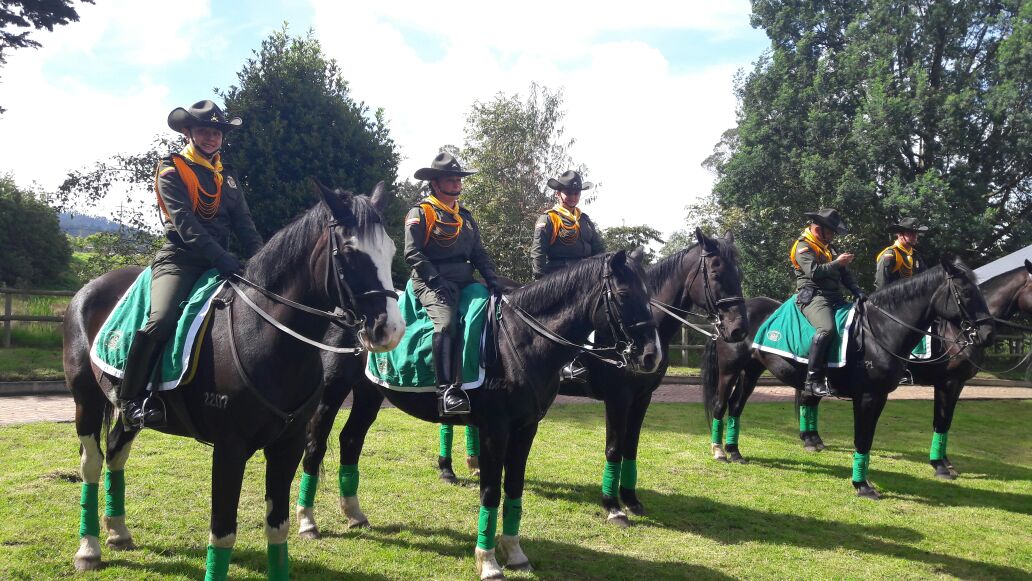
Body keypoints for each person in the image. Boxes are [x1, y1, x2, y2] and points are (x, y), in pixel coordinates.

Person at [117, 100, 264, 429]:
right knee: (163, 318)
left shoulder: (228, 177)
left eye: (216, 132)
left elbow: (245, 225)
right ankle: (129, 400)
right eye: (204, 131)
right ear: (189, 133)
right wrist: (223, 258)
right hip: (181, 260)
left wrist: (262, 262)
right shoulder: (171, 168)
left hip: (220, 264)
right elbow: (186, 224)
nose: (211, 137)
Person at [405, 152, 501, 415]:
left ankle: (489, 376)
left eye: (459, 179)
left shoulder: (466, 218)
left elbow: (479, 253)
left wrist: (492, 279)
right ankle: (445, 390)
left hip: (465, 280)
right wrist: (435, 280)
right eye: (451, 179)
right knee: (446, 323)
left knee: (496, 310)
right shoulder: (421, 212)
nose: (457, 184)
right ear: (436, 183)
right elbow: (412, 253)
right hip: (430, 281)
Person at [790, 208, 865, 398]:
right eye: (830, 231)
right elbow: (814, 272)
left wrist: (857, 291)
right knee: (826, 329)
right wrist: (837, 263)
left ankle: (839, 376)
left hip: (835, 297)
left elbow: (844, 274)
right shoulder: (803, 246)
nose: (832, 235)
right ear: (817, 229)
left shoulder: (829, 248)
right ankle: (812, 380)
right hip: (814, 297)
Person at [530, 170, 605, 280]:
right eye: (568, 193)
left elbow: (599, 250)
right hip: (560, 279)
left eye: (576, 193)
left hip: (587, 277)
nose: (573, 197)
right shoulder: (549, 219)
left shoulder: (585, 220)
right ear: (558, 194)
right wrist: (540, 281)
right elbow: (538, 252)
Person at [874, 218, 928, 290]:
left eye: (916, 233)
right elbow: (881, 284)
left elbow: (926, 276)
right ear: (900, 235)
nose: (915, 236)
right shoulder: (890, 254)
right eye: (910, 233)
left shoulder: (915, 255)